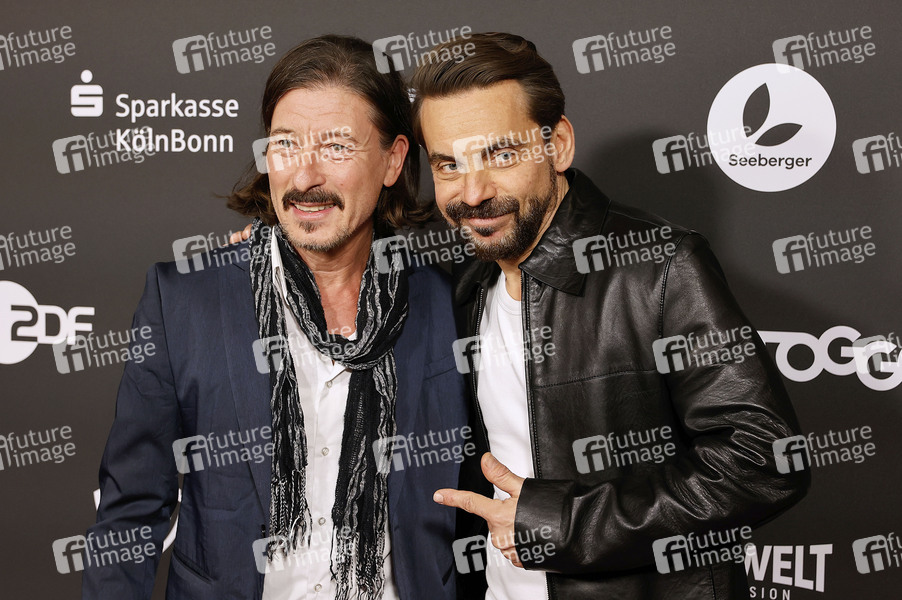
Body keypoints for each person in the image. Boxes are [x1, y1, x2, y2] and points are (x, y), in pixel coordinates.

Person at [408, 33, 810, 599]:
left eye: (500, 155)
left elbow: (765, 460)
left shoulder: (663, 267)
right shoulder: (466, 285)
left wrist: (563, 523)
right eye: (449, 164)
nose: (472, 193)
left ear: (557, 146)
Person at [83, 35, 467, 600]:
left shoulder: (448, 302)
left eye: (336, 146)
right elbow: (131, 514)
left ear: (393, 160)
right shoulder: (186, 300)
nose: (304, 177)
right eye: (285, 144)